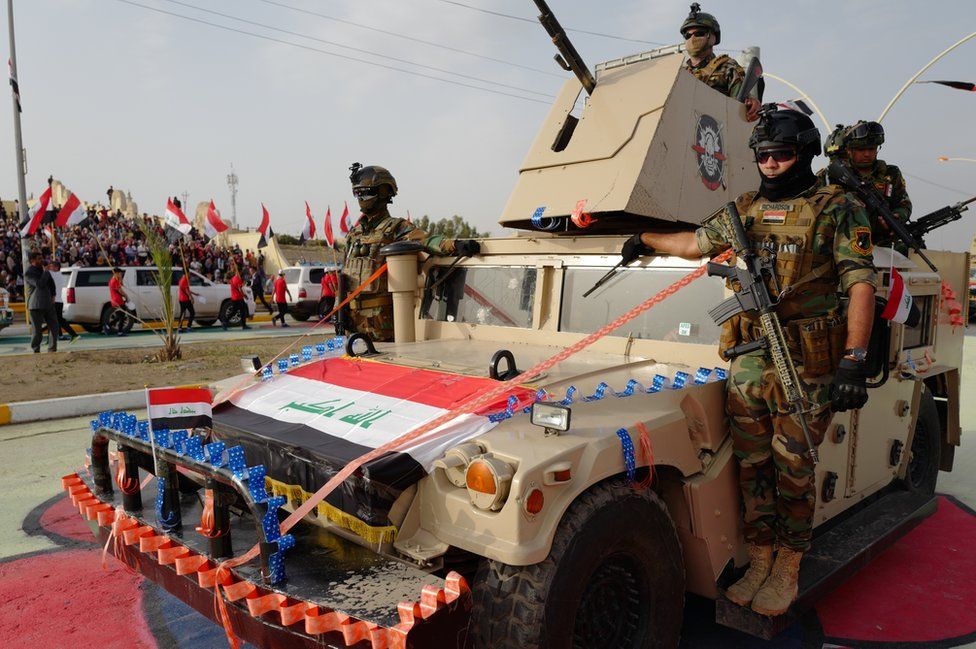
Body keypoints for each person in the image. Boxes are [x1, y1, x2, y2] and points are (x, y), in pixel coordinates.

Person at [621, 105, 877, 616]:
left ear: (803, 154)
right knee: (751, 467)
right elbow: (695, 242)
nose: (772, 164)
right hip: (749, 360)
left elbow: (861, 283)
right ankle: (758, 558)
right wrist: (644, 238)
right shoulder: (745, 208)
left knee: (794, 469)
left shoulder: (837, 208)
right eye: (763, 155)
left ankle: (787, 567)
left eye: (782, 155)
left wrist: (854, 359)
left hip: (805, 364)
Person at [343, 163, 481, 342]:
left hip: (383, 324)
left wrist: (454, 245)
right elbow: (344, 276)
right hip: (352, 324)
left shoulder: (396, 228)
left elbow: (426, 241)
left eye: (366, 191)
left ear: (384, 192)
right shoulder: (353, 235)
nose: (361, 197)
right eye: (357, 193)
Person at [680, 3, 760, 121]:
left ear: (713, 37)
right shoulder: (680, 73)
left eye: (699, 33)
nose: (692, 38)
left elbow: (739, 109)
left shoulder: (728, 67)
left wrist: (752, 102)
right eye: (688, 35)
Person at [844, 120, 912, 253]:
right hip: (846, 242)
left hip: (883, 244)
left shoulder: (891, 173)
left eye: (871, 149)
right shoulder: (836, 175)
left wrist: (897, 216)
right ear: (849, 151)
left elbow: (904, 203)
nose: (867, 154)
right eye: (861, 149)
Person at [25, 252, 59, 353]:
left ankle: (52, 349)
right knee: (37, 331)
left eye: (42, 258)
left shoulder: (44, 271)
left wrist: (53, 295)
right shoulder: (29, 273)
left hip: (48, 303)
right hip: (36, 305)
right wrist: (45, 272)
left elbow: (51, 284)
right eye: (39, 259)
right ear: (32, 261)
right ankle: (36, 350)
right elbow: (39, 284)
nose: (42, 260)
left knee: (54, 326)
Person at [48, 260, 78, 343]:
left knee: (56, 320)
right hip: (59, 301)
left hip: (55, 302)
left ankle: (74, 335)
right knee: (56, 320)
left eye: (51, 266)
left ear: (56, 268)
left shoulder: (53, 274)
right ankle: (57, 336)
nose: (50, 268)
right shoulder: (60, 275)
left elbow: (46, 271)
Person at [105, 267, 130, 336]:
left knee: (120, 316)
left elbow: (121, 284)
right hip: (118, 300)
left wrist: (120, 278)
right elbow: (120, 291)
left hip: (115, 300)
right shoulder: (114, 281)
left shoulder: (113, 280)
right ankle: (119, 332)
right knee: (122, 317)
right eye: (120, 273)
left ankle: (107, 326)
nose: (121, 274)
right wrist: (126, 296)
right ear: (116, 273)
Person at [223, 265, 250, 330]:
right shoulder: (238, 279)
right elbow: (240, 289)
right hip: (239, 298)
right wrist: (244, 295)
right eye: (241, 272)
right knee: (242, 311)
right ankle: (243, 325)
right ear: (239, 272)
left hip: (234, 298)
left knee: (235, 312)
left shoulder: (233, 278)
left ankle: (225, 322)